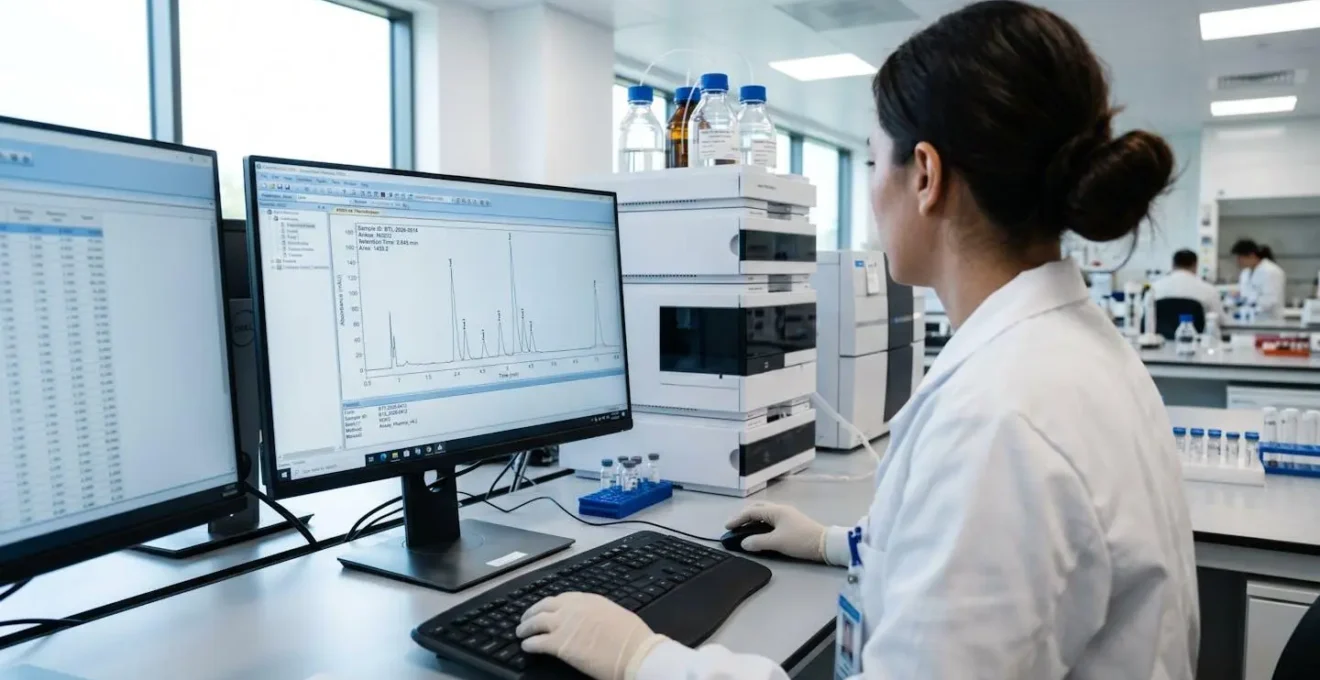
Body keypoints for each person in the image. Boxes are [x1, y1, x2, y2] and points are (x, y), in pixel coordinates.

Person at [513, 2, 1199, 678]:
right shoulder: (1066, 349)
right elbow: (996, 562)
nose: (872, 192)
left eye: (873, 162)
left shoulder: (1000, 420)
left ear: (925, 176)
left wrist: (645, 658)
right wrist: (836, 542)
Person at [1151, 249, 1223, 320]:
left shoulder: (1154, 288)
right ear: (1195, 265)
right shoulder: (1209, 290)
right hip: (1195, 331)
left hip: (1160, 331)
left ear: (1173, 264)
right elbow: (1220, 320)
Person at [1231, 239, 1287, 320]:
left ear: (1252, 255)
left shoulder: (1272, 271)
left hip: (1268, 322)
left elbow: (1271, 300)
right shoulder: (1245, 273)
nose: (1238, 261)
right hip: (1248, 320)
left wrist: (1250, 304)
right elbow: (1244, 294)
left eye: (1240, 258)